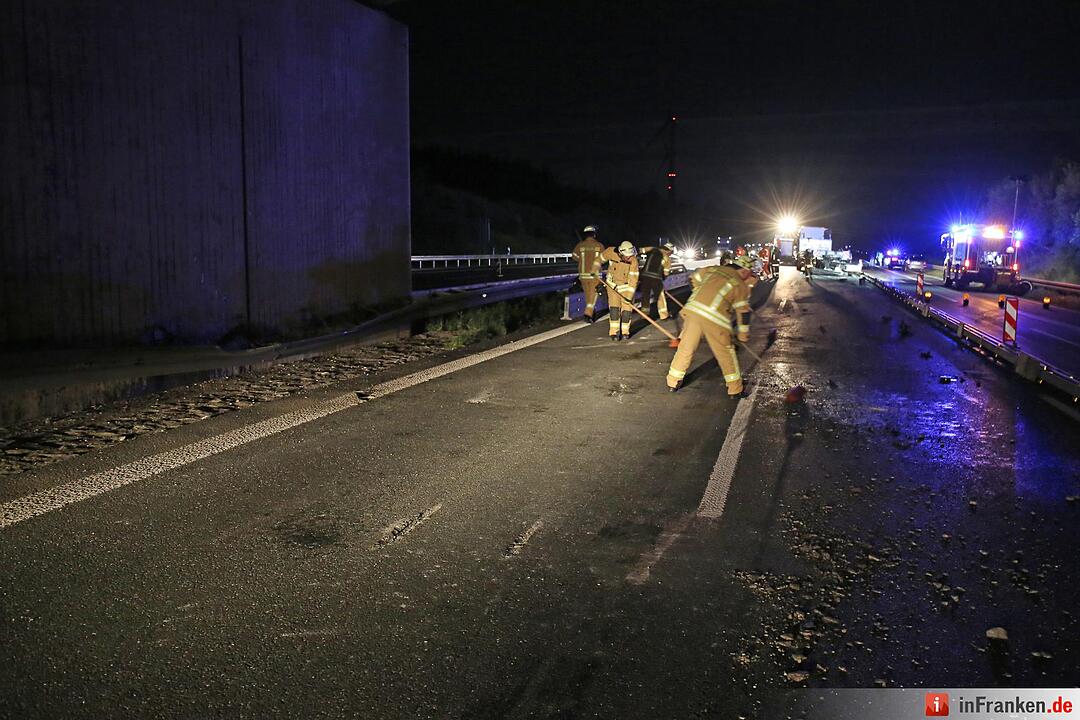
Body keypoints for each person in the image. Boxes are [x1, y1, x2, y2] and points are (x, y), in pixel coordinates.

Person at [666, 255, 753, 398]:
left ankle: (673, 382)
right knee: (726, 354)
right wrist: (743, 336)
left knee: (686, 348)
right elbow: (743, 313)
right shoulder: (740, 285)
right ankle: (735, 389)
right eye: (749, 273)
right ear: (744, 270)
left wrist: (699, 293)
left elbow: (693, 277)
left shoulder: (713, 269)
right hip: (715, 319)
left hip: (693, 311)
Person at [600, 241, 640, 340]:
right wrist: (593, 270)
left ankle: (625, 332)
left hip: (626, 289)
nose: (628, 258)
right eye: (626, 256)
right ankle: (614, 333)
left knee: (627, 311)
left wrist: (629, 297)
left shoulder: (633, 261)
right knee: (614, 310)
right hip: (612, 287)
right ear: (620, 252)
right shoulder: (610, 252)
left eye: (630, 255)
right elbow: (598, 260)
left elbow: (633, 280)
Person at [571, 226, 604, 322]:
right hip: (595, 275)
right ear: (594, 234)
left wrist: (581, 260)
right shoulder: (599, 245)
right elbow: (604, 258)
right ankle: (588, 314)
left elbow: (574, 256)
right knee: (593, 295)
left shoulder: (580, 245)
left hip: (583, 275)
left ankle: (591, 313)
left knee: (588, 295)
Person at [637, 241, 674, 319]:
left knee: (645, 296)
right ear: (669, 251)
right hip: (656, 279)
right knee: (660, 297)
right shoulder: (667, 258)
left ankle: (645, 315)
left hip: (645, 277)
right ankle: (664, 315)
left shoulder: (653, 250)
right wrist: (662, 280)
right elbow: (666, 273)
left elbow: (640, 250)